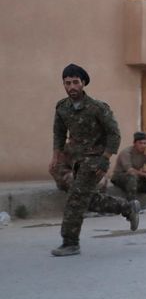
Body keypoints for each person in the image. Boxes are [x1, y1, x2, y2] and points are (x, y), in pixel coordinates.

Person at [50, 64, 140, 257]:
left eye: (75, 82)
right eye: (67, 83)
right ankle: (127, 207)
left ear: (83, 83)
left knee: (75, 199)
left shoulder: (97, 107)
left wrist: (105, 159)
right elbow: (59, 133)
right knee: (85, 200)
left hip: (94, 159)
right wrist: (56, 156)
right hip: (74, 159)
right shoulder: (62, 107)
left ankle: (70, 243)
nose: (71, 86)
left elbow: (114, 134)